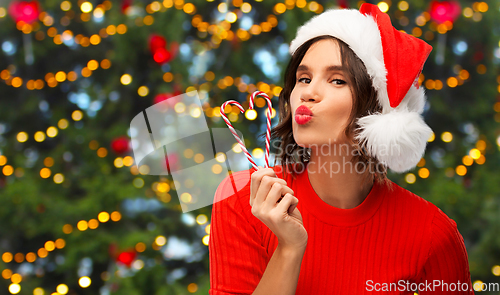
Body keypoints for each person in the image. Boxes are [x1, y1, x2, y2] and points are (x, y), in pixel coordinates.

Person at [209, 4, 474, 294]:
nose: (308, 93)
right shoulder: (240, 200)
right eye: (304, 78)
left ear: (377, 109)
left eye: (337, 80)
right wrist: (289, 248)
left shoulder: (433, 234)